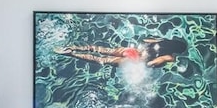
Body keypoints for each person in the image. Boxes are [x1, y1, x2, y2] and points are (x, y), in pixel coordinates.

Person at [54, 38, 187, 67]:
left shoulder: (162, 39)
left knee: (102, 49)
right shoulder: (170, 57)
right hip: (135, 60)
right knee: (102, 60)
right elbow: (153, 62)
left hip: (132, 51)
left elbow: (145, 39)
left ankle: (71, 47)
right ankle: (72, 54)